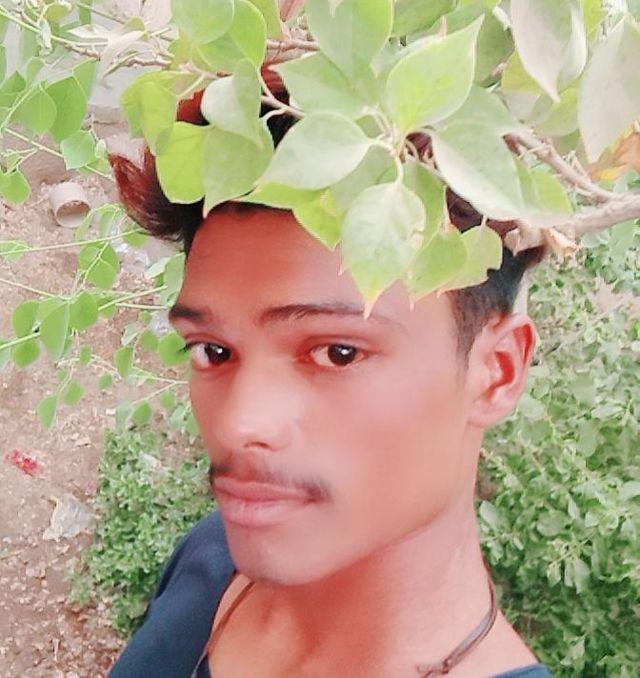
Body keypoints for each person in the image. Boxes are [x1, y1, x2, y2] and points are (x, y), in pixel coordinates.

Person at [108, 82, 553, 677]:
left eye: (338, 353)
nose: (238, 424)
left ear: (496, 372)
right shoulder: (211, 561)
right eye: (214, 350)